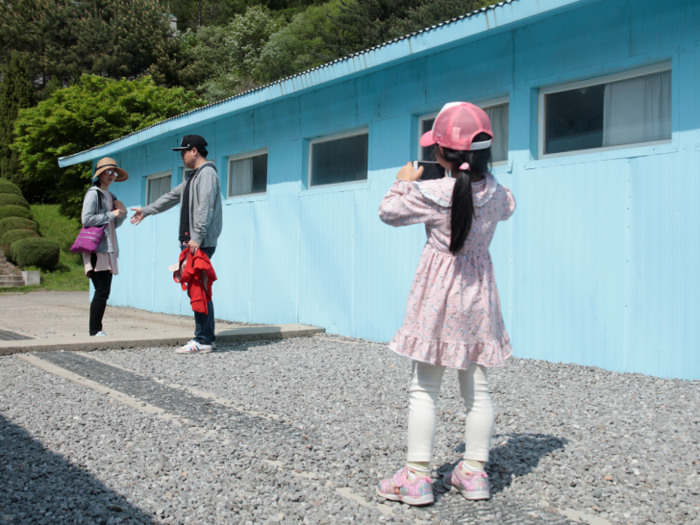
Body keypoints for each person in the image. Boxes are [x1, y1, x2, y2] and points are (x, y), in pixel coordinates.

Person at [375, 102, 516, 505]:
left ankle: (416, 477)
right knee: (478, 387)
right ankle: (473, 472)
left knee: (425, 388)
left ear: (440, 154)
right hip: (479, 298)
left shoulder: (431, 191)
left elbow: (388, 212)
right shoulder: (497, 194)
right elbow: (507, 206)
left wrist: (404, 181)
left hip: (439, 299)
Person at [130, 135, 222, 354]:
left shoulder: (207, 173)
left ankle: (203, 340)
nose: (181, 157)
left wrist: (197, 236)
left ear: (194, 151)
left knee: (197, 288)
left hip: (198, 242)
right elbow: (172, 196)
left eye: (182, 152)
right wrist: (147, 210)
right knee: (199, 287)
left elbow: (206, 206)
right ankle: (207, 337)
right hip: (193, 241)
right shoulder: (194, 176)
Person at [81, 157, 129, 336]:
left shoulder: (112, 196)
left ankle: (96, 330)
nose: (112, 175)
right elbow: (86, 220)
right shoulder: (93, 193)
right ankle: (95, 330)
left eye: (114, 172)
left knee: (104, 291)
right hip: (96, 248)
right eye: (108, 171)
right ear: (99, 174)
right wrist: (112, 214)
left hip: (108, 249)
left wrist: (121, 214)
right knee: (101, 290)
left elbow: (112, 224)